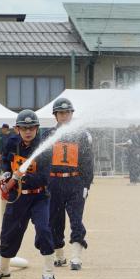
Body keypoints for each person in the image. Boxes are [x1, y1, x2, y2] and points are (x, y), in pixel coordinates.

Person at [0, 109, 56, 279]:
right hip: (17, 197)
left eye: (31, 128)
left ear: (37, 129)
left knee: (44, 230)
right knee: (8, 231)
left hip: (39, 196)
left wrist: (21, 178)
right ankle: (4, 269)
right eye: (24, 128)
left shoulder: (44, 147)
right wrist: (8, 173)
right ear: (17, 129)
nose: (28, 131)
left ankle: (49, 272)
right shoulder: (12, 143)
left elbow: (45, 178)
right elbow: (6, 161)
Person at [45, 97, 93, 270]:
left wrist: (87, 184)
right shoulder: (48, 135)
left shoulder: (82, 134)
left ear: (72, 114)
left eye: (67, 112)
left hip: (75, 182)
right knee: (54, 220)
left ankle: (76, 257)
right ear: (55, 116)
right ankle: (59, 255)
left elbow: (88, 162)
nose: (64, 116)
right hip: (54, 182)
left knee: (76, 219)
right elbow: (43, 161)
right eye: (60, 113)